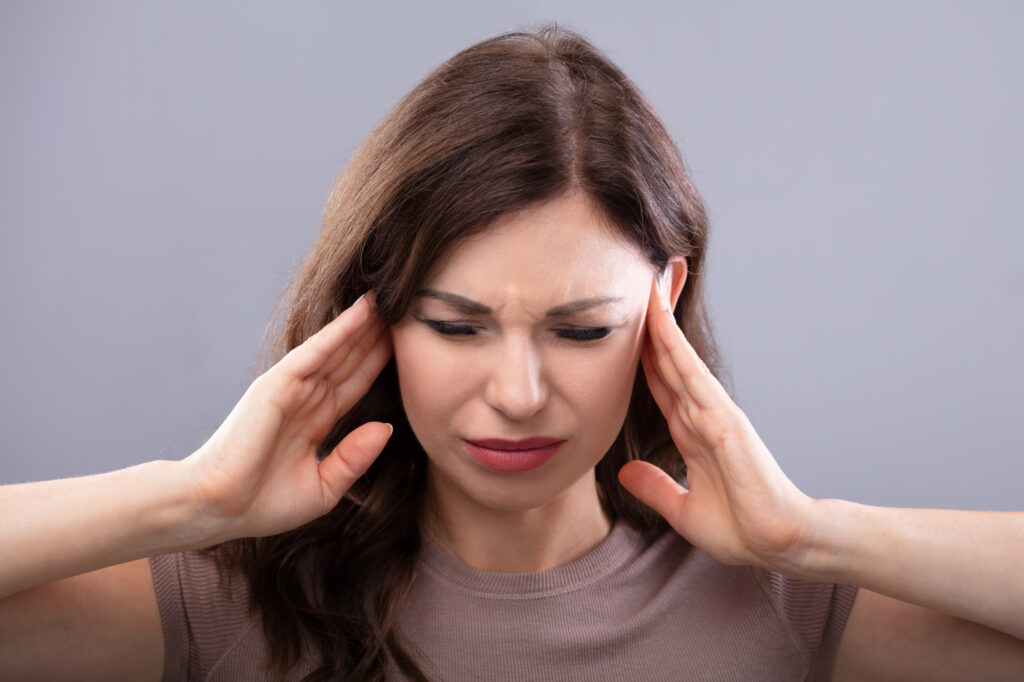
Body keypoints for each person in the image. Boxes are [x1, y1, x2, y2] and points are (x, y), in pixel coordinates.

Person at [1, 22, 1022, 682]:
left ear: (664, 303)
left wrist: (812, 536)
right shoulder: (230, 602)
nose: (518, 394)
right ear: (378, 313)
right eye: (456, 325)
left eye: (580, 330)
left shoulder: (781, 597)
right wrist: (191, 502)